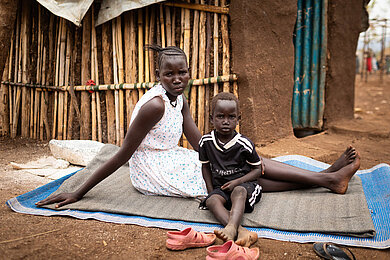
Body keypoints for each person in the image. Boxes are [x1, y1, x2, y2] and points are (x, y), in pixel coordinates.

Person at [36, 45, 360, 245]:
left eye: (183, 72)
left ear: (188, 72)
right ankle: (326, 179)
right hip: (153, 169)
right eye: (169, 74)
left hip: (175, 156)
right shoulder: (155, 106)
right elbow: (123, 153)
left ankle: (327, 178)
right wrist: (78, 192)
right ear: (158, 75)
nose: (178, 78)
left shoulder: (180, 98)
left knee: (239, 163)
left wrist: (228, 150)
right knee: (239, 176)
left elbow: (198, 142)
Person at [199, 92, 262, 247]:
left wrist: (238, 181)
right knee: (212, 201)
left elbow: (258, 170)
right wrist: (210, 192)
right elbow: (205, 166)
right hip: (221, 187)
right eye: (220, 116)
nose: (226, 122)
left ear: (238, 119)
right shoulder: (206, 142)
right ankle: (240, 231)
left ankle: (232, 228)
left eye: (231, 117)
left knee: (238, 191)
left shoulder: (244, 143)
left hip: (244, 186)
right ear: (211, 118)